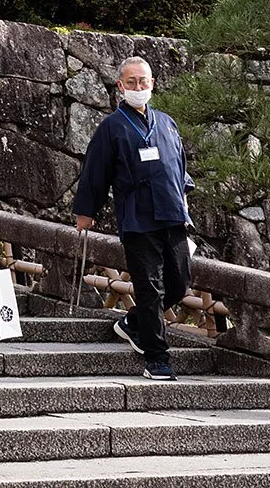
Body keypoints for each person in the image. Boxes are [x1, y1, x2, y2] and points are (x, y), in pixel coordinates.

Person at [72, 56, 194, 382]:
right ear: (120, 86)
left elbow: (180, 169)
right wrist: (86, 212)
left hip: (172, 214)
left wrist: (184, 204)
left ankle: (134, 321)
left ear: (152, 83)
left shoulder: (166, 123)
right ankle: (157, 358)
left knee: (180, 282)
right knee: (149, 286)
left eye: (143, 81)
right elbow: (95, 172)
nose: (138, 87)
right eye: (132, 82)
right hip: (138, 217)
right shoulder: (111, 127)